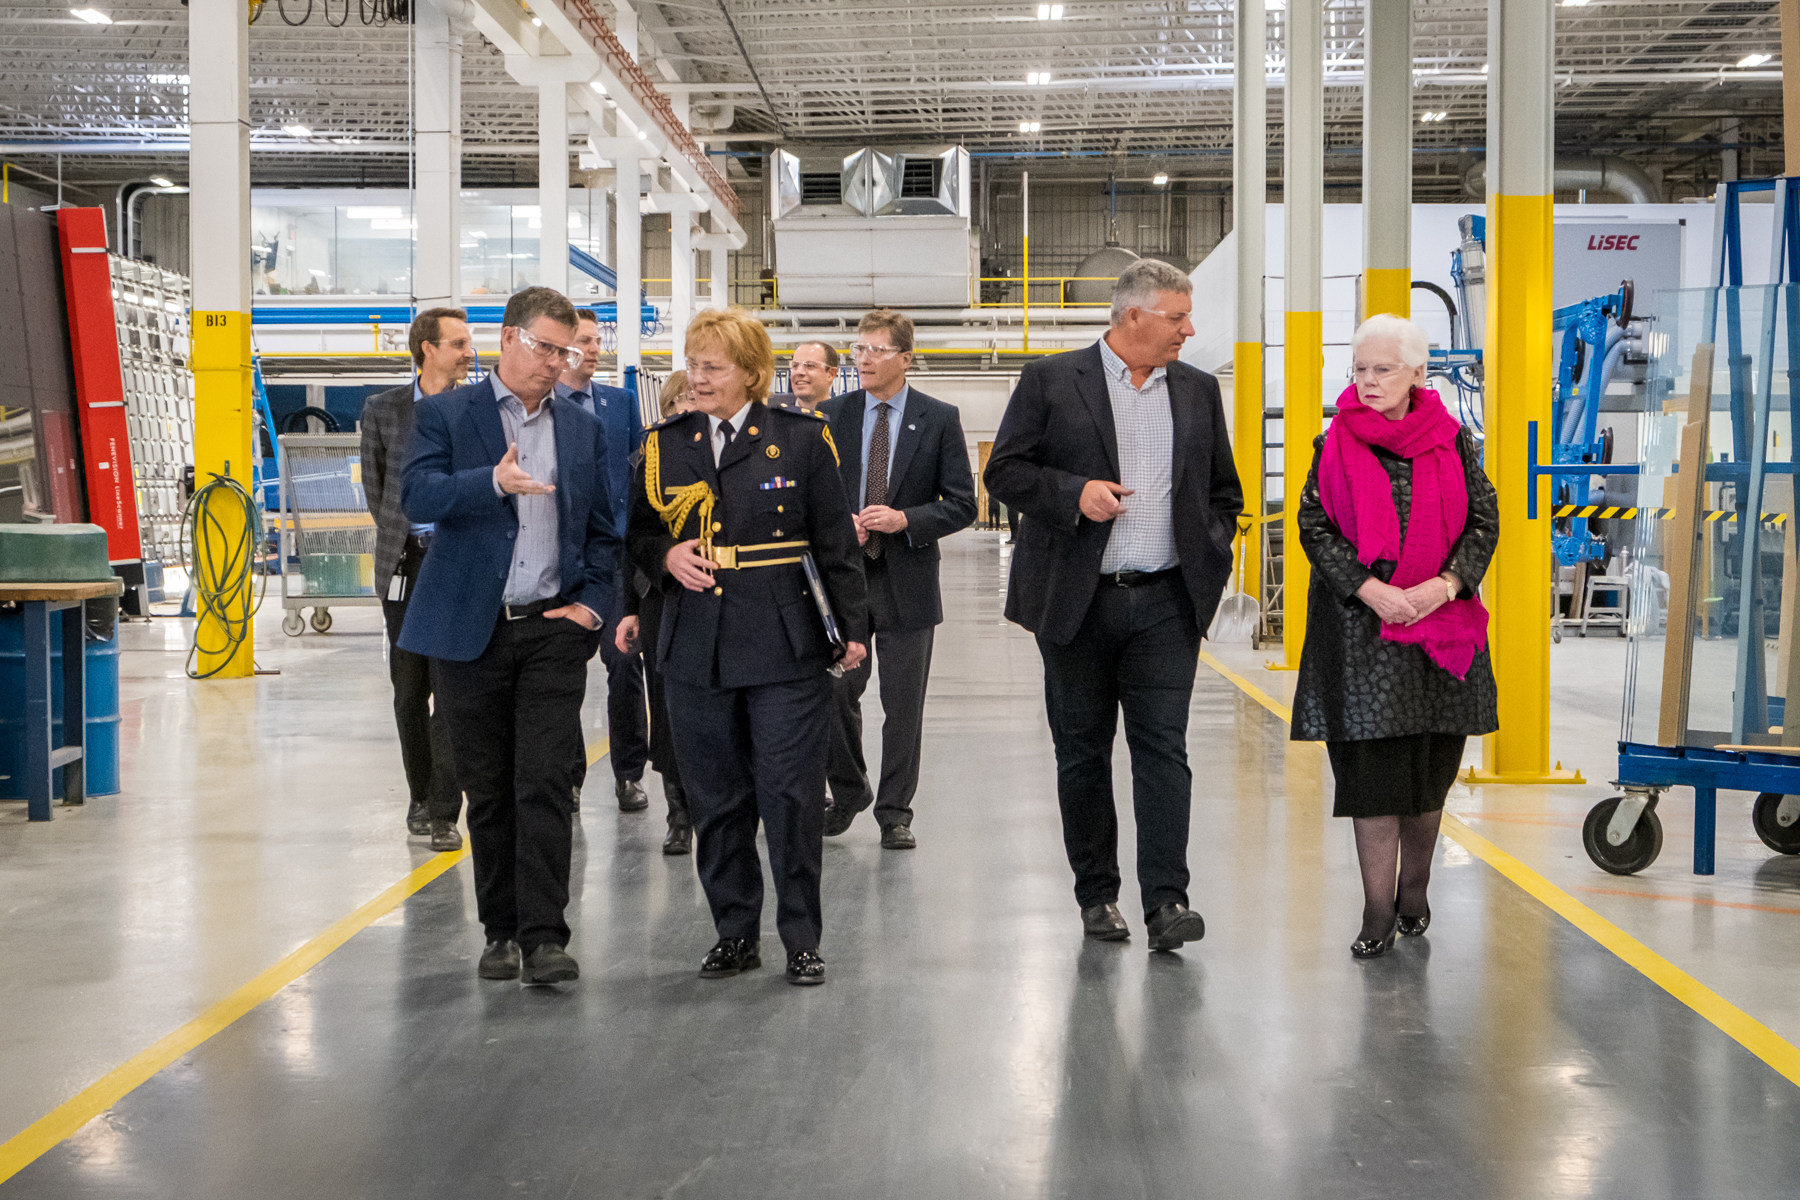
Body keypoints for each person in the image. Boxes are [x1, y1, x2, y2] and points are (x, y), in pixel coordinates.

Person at [984, 258, 1242, 952]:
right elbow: (1003, 471)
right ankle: (1097, 896)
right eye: (1177, 317)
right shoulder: (1050, 381)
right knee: (1082, 754)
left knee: (1164, 751)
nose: (1189, 331)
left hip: (1165, 601)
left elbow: (1225, 493)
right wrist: (1073, 495)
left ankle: (1167, 901)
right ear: (1133, 316)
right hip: (1077, 604)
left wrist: (1207, 565)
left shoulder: (1194, 390)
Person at [628, 308, 867, 987]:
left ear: (751, 373)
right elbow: (638, 536)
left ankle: (800, 937)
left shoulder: (799, 438)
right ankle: (735, 932)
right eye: (694, 364)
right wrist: (665, 556)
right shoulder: (663, 444)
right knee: (717, 798)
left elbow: (835, 543)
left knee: (789, 796)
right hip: (694, 644)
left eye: (713, 367)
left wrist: (852, 630)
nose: (697, 378)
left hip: (784, 640)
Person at [399, 286, 621, 988]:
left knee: (547, 782)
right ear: (509, 340)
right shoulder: (445, 414)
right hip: (472, 631)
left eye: (570, 350)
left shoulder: (582, 428)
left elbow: (605, 531)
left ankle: (546, 935)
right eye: (547, 348)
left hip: (553, 630)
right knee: (489, 788)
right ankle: (499, 931)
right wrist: (487, 483)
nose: (559, 362)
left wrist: (591, 608)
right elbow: (416, 497)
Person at [1291, 313, 1498, 959]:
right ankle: (1378, 910)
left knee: (1427, 778)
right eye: (1360, 369)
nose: (1369, 380)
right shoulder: (1334, 443)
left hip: (1440, 633)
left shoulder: (1454, 442)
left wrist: (1446, 586)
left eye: (1383, 369)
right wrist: (1366, 588)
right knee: (1374, 783)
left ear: (1416, 372)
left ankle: (1416, 889)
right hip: (1360, 638)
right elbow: (1314, 526)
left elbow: (1484, 523)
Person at [819, 310, 977, 848]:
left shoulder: (938, 418)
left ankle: (895, 812)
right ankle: (850, 789)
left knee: (903, 704)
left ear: (905, 358)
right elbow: (815, 498)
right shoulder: (831, 415)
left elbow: (962, 504)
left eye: (876, 350)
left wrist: (905, 519)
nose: (863, 358)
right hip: (846, 579)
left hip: (907, 576)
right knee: (836, 691)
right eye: (859, 348)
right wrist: (845, 528)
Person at [359, 307, 474, 852]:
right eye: (457, 343)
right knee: (409, 691)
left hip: (455, 563)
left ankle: (446, 810)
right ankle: (420, 795)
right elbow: (376, 488)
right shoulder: (382, 410)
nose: (467, 352)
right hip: (405, 566)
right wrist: (406, 537)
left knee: (450, 690)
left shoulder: (475, 408)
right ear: (427, 348)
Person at [556, 308, 650, 814]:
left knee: (624, 662)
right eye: (584, 342)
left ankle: (629, 774)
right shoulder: (545, 406)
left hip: (615, 554)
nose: (594, 350)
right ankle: (568, 777)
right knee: (564, 668)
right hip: (565, 558)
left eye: (597, 341)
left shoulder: (619, 403)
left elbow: (638, 473)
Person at [615, 371, 696, 854]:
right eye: (679, 400)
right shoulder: (649, 455)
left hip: (711, 594)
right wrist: (628, 610)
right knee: (664, 708)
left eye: (695, 398)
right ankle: (679, 815)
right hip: (658, 597)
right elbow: (635, 539)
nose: (687, 406)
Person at [783, 342, 840, 410]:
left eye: (810, 365)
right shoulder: (775, 417)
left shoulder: (846, 418)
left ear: (831, 374)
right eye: (795, 365)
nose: (799, 372)